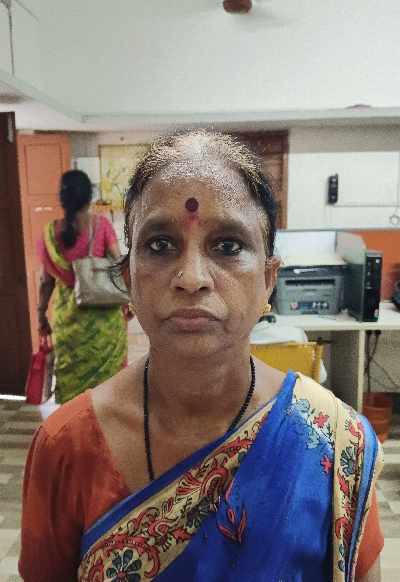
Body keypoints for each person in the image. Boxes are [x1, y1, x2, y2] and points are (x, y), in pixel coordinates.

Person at [20, 131, 383, 581]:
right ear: (128, 279)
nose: (191, 278)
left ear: (268, 279)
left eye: (228, 246)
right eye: (160, 245)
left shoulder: (336, 442)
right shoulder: (65, 447)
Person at [36, 169, 128, 404]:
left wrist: (41, 315)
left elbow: (45, 282)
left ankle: (76, 423)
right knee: (107, 390)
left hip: (68, 321)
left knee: (73, 394)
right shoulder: (101, 225)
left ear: (63, 199)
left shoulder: (49, 233)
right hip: (104, 321)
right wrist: (129, 302)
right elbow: (118, 266)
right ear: (89, 196)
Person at [250, 314, 328, 382]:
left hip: (253, 393)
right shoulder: (295, 334)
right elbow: (321, 377)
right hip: (295, 393)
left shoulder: (244, 342)